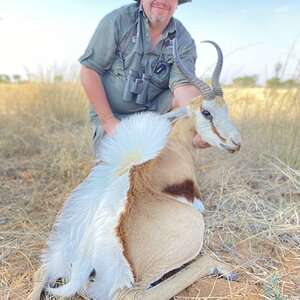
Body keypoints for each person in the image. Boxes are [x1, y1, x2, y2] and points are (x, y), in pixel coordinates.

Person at [79, 0, 210, 159]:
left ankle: (163, 153)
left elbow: (184, 88)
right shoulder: (118, 20)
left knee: (195, 98)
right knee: (114, 176)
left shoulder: (183, 39)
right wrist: (109, 122)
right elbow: (90, 70)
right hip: (114, 116)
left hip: (154, 114)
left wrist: (200, 127)